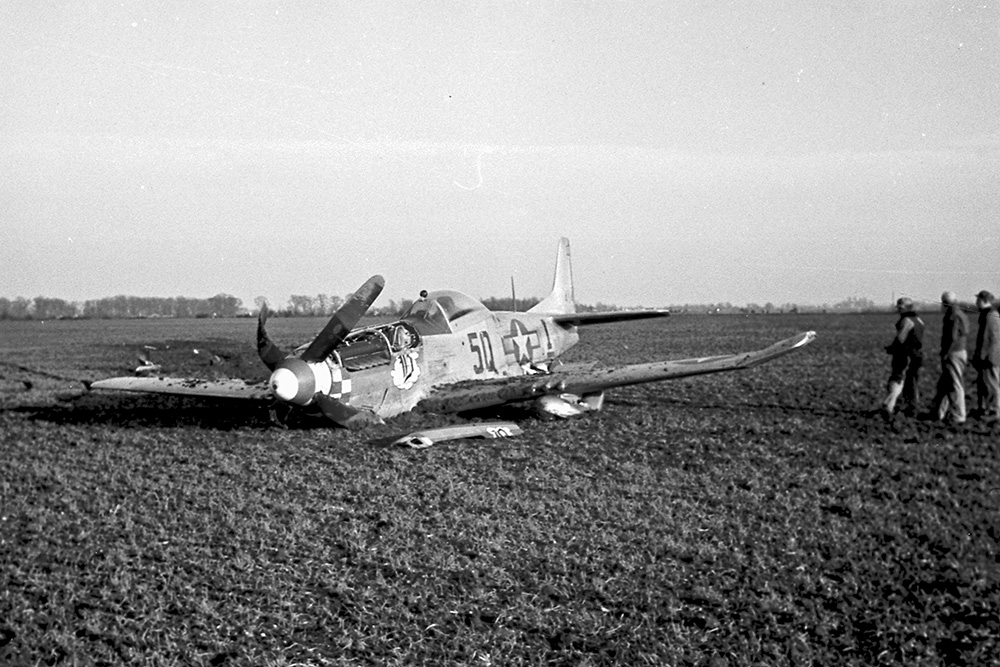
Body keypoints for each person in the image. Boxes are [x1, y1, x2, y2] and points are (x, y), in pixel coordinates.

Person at [928, 291, 968, 424]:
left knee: (955, 384)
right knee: (944, 384)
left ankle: (959, 415)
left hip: (953, 353)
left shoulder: (953, 315)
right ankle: (937, 412)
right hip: (958, 351)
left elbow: (952, 337)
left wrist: (946, 353)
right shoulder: (961, 313)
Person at [881, 297, 924, 419]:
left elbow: (900, 339)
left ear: (905, 307)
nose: (898, 309)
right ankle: (912, 407)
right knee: (912, 382)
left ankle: (889, 405)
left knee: (897, 379)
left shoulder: (906, 321)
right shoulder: (919, 320)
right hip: (917, 355)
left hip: (904, 355)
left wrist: (891, 349)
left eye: (900, 306)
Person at [971, 290, 1000, 421]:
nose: (976, 302)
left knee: (992, 384)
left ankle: (994, 411)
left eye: (978, 300)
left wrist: (982, 356)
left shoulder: (990, 316)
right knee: (984, 384)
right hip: (988, 355)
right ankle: (985, 409)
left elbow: (989, 338)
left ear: (983, 300)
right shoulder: (988, 314)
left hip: (990, 357)